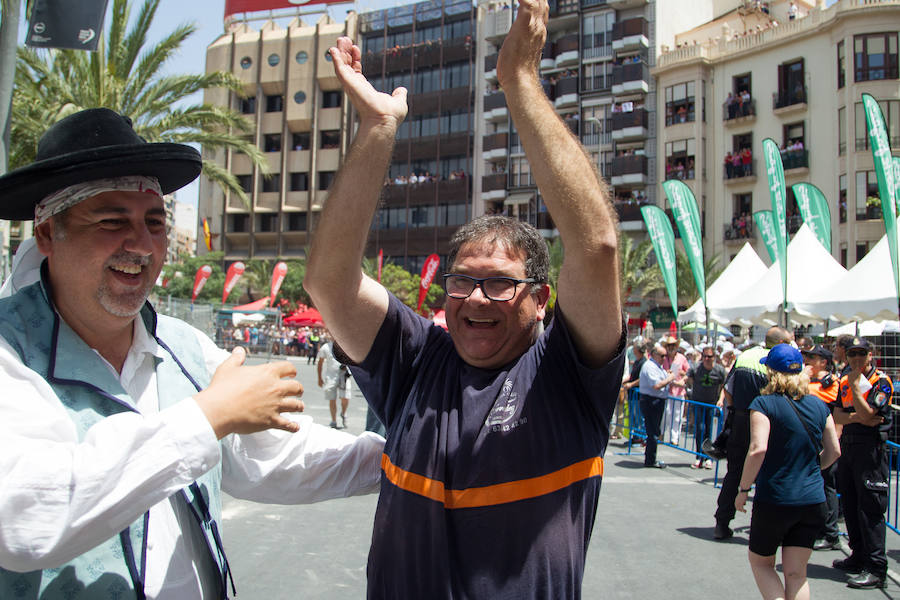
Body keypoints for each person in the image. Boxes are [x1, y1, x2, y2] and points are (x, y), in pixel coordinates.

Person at [303, 0, 626, 594]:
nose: (476, 298)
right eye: (462, 281)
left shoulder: (569, 375)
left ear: (541, 301)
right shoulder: (415, 357)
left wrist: (519, 81)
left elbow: (597, 246)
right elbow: (329, 283)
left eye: (500, 283)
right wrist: (376, 130)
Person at [0, 108, 384, 598]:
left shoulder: (182, 347)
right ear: (49, 233)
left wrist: (405, 461)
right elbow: (25, 516)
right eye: (112, 220)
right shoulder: (9, 350)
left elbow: (275, 455)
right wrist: (208, 417)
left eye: (155, 221)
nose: (141, 244)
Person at [735, 344, 841, 600]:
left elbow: (758, 449)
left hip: (776, 497)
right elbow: (834, 451)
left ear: (771, 372)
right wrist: (814, 469)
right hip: (812, 498)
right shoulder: (819, 406)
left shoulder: (763, 403)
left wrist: (743, 489)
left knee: (761, 563)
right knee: (797, 573)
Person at [714, 326, 793, 540]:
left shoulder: (745, 355)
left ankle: (722, 522)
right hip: (767, 420)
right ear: (782, 344)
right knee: (769, 473)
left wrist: (736, 411)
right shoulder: (778, 361)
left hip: (740, 419)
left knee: (734, 473)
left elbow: (727, 389)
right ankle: (764, 527)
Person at [831, 338, 893, 589]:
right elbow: (837, 415)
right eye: (851, 354)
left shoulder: (881, 381)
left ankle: (876, 568)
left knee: (871, 509)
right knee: (851, 504)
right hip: (849, 447)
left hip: (870, 451)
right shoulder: (845, 380)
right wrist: (859, 416)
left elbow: (872, 416)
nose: (855, 358)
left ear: (871, 355)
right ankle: (858, 556)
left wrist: (857, 393)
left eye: (861, 354)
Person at [801, 344, 842, 552]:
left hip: (824, 440)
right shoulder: (808, 379)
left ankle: (830, 533)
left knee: (827, 486)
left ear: (824, 362)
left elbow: (834, 411)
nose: (808, 360)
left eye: (812, 357)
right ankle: (816, 528)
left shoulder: (831, 382)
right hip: (808, 440)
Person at [688, 346, 727, 469]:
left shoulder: (719, 370)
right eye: (704, 356)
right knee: (700, 429)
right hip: (699, 404)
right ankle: (699, 456)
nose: (706, 359)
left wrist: (720, 400)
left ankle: (708, 457)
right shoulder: (696, 368)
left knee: (710, 431)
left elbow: (724, 386)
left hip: (711, 405)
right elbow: (689, 379)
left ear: (714, 357)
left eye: (709, 356)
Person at [640, 344, 677, 468]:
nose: (664, 358)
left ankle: (651, 457)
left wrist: (668, 375)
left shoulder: (657, 367)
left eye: (665, 356)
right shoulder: (649, 366)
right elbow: (656, 385)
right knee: (653, 432)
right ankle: (650, 460)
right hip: (651, 401)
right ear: (654, 354)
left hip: (657, 400)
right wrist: (670, 378)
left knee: (654, 430)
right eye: (662, 356)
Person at [317, 331, 352, 429]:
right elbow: (320, 363)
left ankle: (343, 413)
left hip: (344, 375)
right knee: (332, 398)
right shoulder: (326, 347)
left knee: (345, 397)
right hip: (331, 376)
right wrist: (319, 377)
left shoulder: (346, 345)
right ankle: (333, 420)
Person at [662, 335, 689, 445]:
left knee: (677, 415)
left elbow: (688, 373)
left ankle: (675, 438)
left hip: (678, 391)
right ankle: (662, 434)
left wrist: (682, 377)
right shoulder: (664, 358)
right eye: (669, 345)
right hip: (667, 390)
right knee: (666, 414)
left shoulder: (682, 358)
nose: (671, 347)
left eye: (673, 345)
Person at [617, 339, 646, 440]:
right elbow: (632, 375)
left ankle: (640, 437)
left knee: (638, 416)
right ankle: (634, 437)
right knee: (633, 417)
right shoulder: (637, 362)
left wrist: (631, 384)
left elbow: (641, 378)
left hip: (638, 394)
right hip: (632, 394)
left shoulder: (643, 362)